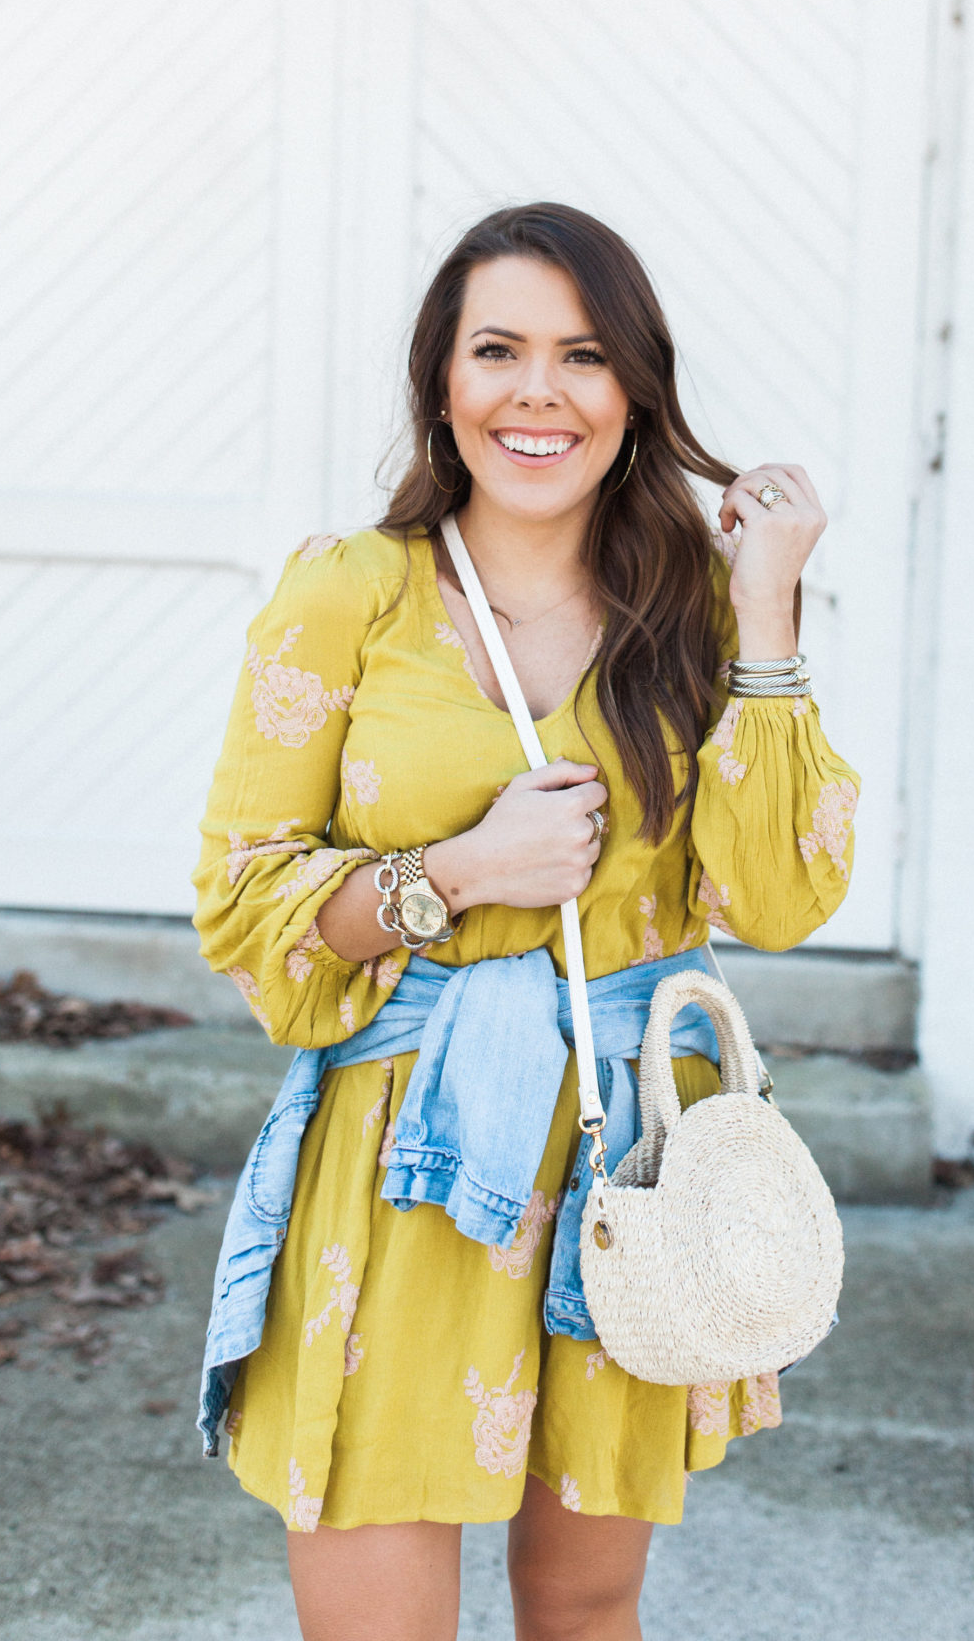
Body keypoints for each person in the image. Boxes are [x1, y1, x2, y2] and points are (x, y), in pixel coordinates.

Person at [191, 203, 860, 1641]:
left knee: (585, 1609)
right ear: (445, 380)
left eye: (585, 355)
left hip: (630, 1157)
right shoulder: (349, 595)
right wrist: (462, 873)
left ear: (635, 392)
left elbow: (782, 894)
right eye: (499, 350)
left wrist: (769, 613)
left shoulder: (689, 606)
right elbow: (246, 905)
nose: (538, 392)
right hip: (408, 1160)